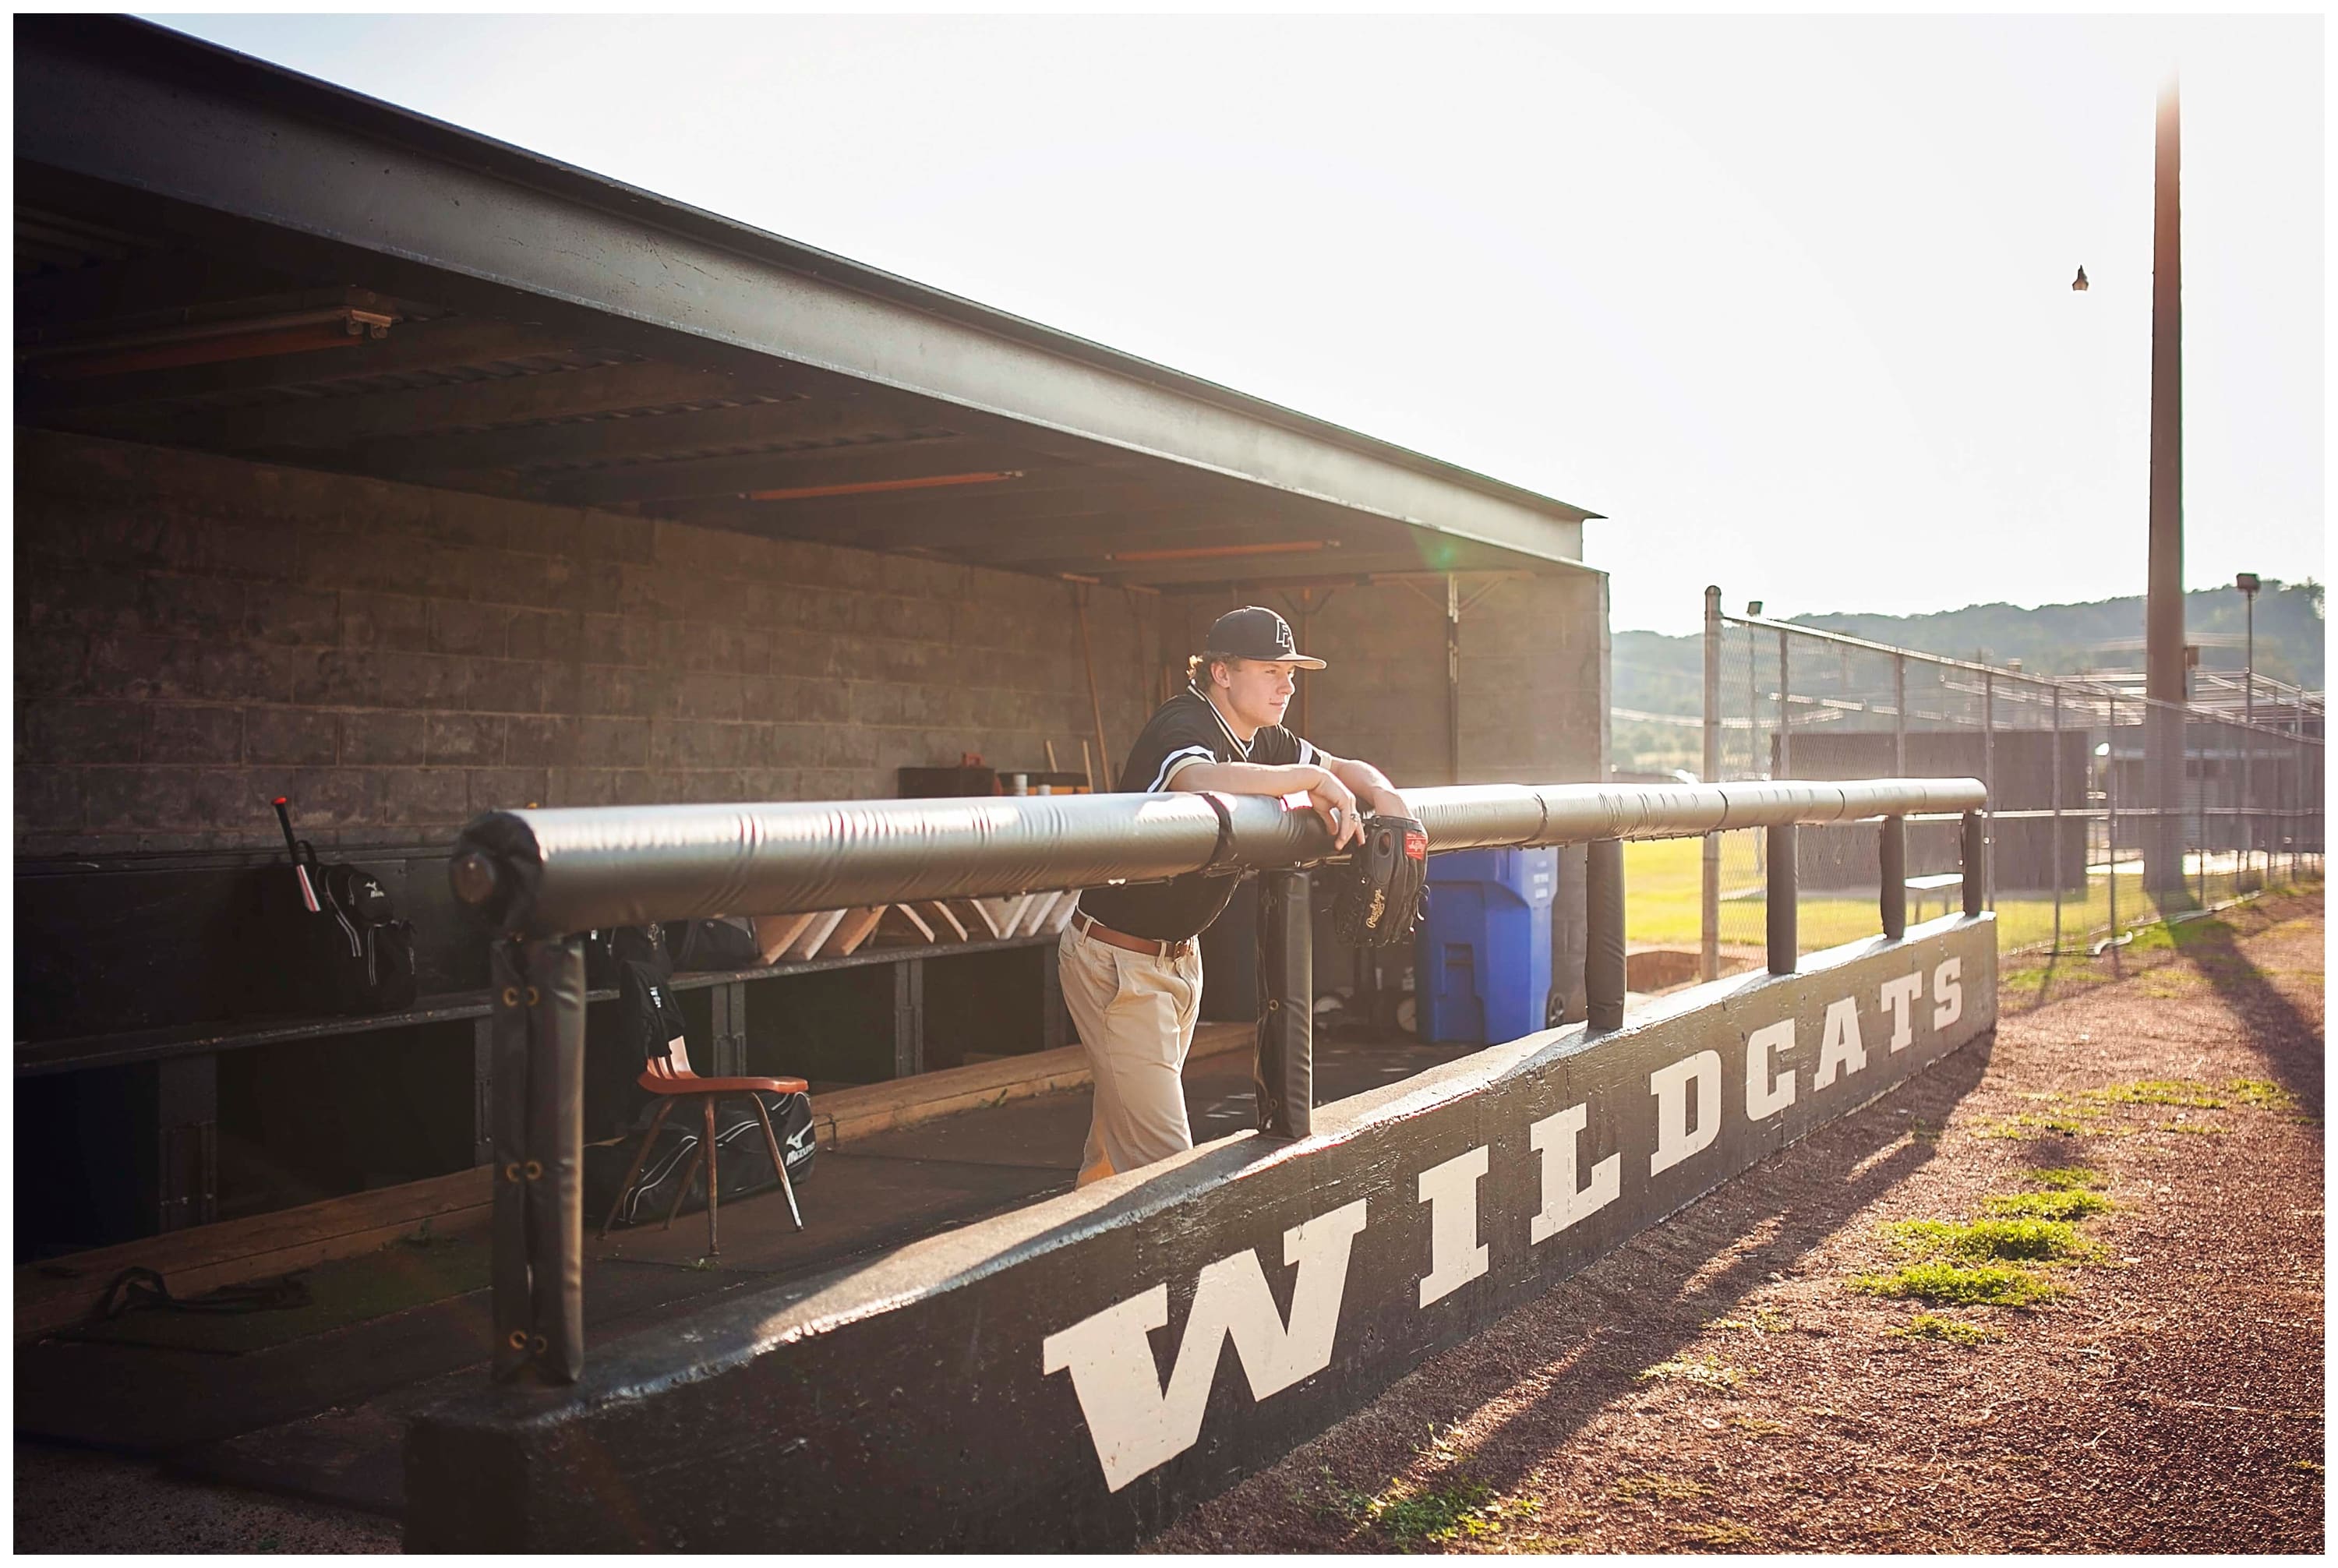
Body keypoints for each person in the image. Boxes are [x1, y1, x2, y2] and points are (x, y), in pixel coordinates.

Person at [1059, 605, 1413, 1187]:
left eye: (1291, 670)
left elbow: (1343, 766)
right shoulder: (1183, 722)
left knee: (1115, 1152)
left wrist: (1386, 796)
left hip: (1175, 960)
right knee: (1166, 1173)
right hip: (1118, 962)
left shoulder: (1262, 739)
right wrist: (1308, 781)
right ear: (1221, 673)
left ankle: (1082, 1268)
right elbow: (1194, 778)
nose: (1288, 683)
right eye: (1270, 669)